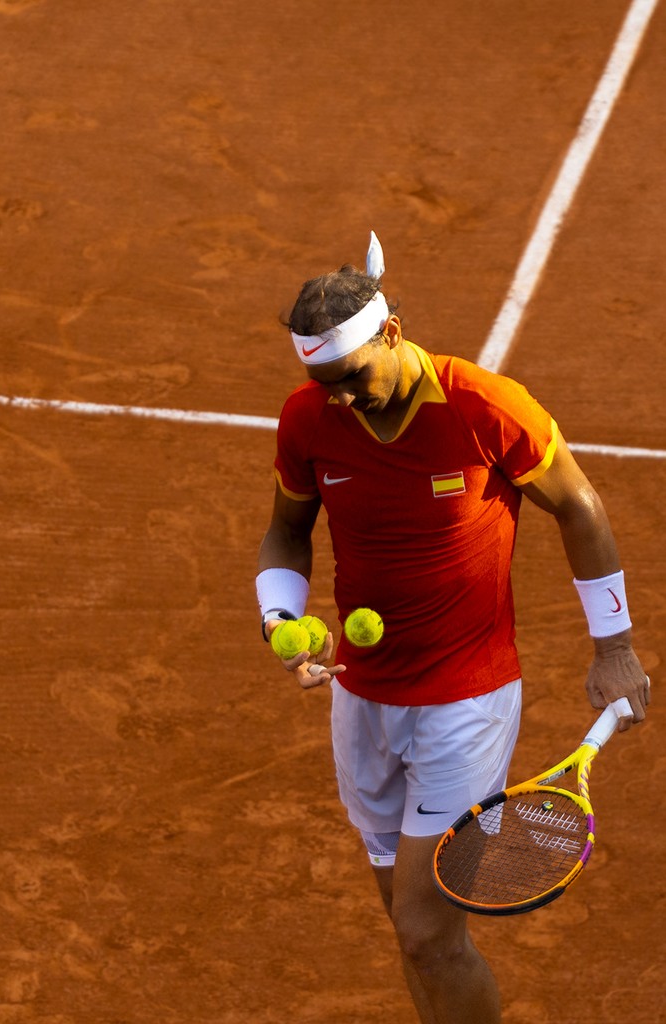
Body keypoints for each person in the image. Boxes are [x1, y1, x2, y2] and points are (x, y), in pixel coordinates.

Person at [256, 232, 649, 1024]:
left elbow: (578, 505)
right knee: (410, 938)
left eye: (351, 377)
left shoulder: (482, 405)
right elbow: (286, 532)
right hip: (362, 698)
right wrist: (281, 621)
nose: (340, 398)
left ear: (392, 335)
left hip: (464, 702)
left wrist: (613, 647)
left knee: (428, 934)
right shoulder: (308, 420)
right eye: (323, 384)